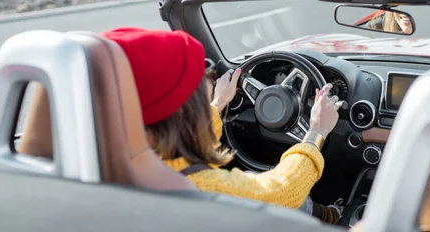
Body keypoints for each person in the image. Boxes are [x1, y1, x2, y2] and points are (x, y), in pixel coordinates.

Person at [101, 27, 345, 224]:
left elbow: (186, 132)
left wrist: (218, 103)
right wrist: (316, 132)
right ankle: (333, 217)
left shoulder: (117, 157)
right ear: (187, 108)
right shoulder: (201, 187)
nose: (210, 72)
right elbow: (281, 192)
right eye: (202, 74)